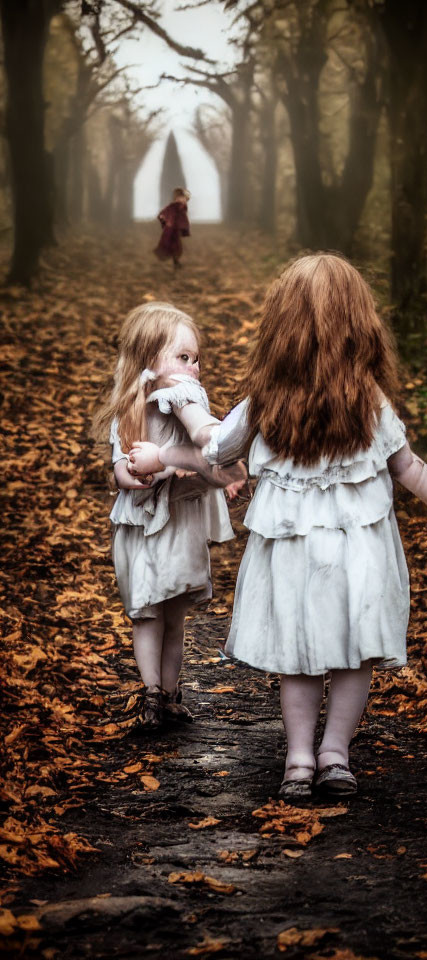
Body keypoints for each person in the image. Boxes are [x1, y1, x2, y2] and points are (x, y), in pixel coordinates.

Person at [128, 255, 427, 794]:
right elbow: (406, 465)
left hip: (291, 549)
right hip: (360, 548)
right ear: (360, 326)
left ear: (281, 330)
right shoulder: (370, 400)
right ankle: (335, 752)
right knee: (354, 651)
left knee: (300, 655)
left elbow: (218, 447)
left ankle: (297, 760)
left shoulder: (266, 400)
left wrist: (173, 428)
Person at [93, 301, 247, 729]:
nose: (193, 367)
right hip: (140, 523)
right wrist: (129, 475)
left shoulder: (182, 399)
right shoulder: (131, 406)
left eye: (196, 359)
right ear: (148, 360)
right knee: (145, 611)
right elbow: (119, 465)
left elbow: (203, 440)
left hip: (178, 520)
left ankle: (171, 691)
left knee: (174, 615)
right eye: (183, 357)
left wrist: (220, 463)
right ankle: (152, 694)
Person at [155, 187, 191, 268]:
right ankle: (176, 262)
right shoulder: (173, 206)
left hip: (175, 229)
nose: (183, 199)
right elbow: (161, 215)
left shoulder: (181, 207)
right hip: (171, 229)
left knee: (176, 246)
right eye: (181, 197)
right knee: (174, 245)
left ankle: (176, 262)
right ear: (177, 198)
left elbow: (182, 218)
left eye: (184, 198)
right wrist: (165, 223)